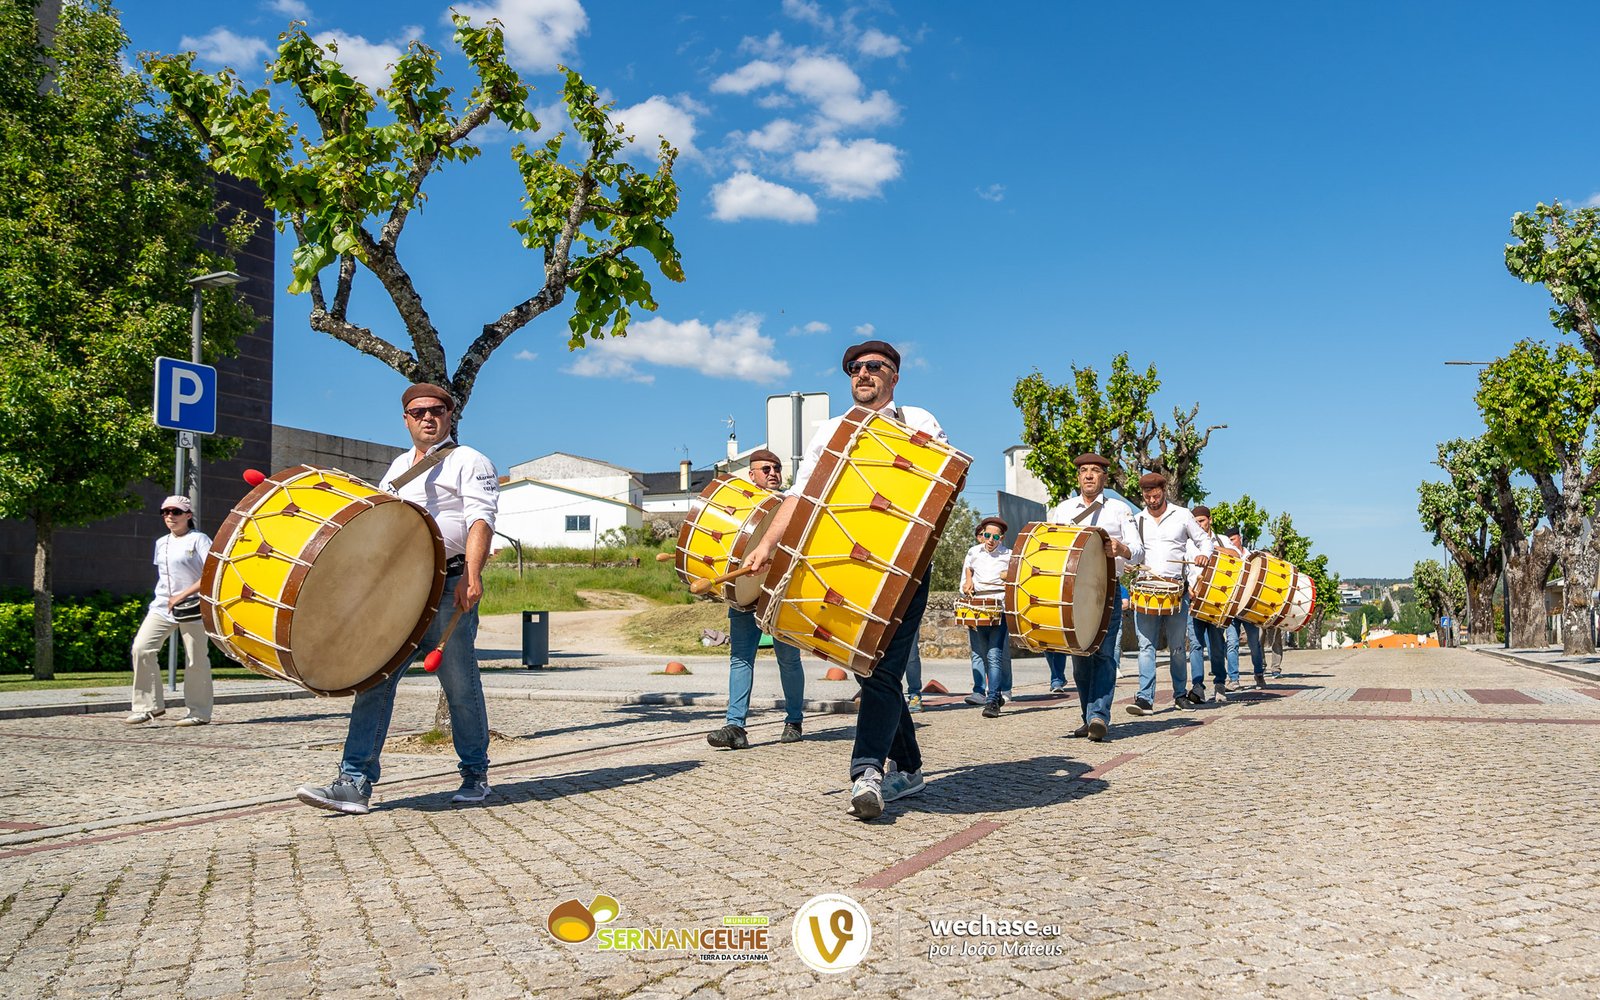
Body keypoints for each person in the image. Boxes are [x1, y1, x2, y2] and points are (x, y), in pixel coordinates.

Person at [744, 339, 940, 821]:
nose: (863, 373)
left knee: (884, 667)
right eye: (855, 368)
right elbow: (800, 495)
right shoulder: (831, 430)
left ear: (894, 375)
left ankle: (867, 771)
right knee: (864, 665)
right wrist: (767, 546)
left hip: (904, 564)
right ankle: (910, 767)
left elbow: (937, 485)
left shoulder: (920, 421)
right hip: (845, 562)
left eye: (874, 367)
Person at [296, 383, 499, 815]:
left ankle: (475, 774)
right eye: (418, 411)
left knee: (459, 684)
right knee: (376, 679)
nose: (428, 417)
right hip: (398, 591)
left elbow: (480, 518)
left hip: (450, 584)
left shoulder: (470, 460)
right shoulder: (397, 468)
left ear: (450, 416)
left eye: (437, 410)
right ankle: (354, 782)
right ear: (406, 420)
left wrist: (473, 576)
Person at [706, 449, 807, 749]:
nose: (773, 472)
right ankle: (735, 726)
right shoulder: (738, 506)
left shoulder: (792, 503)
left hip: (782, 593)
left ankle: (794, 720)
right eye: (766, 469)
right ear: (751, 474)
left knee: (788, 659)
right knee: (740, 659)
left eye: (777, 467)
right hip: (745, 593)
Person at [1045, 453, 1142, 741]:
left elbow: (1138, 551)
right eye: (1084, 471)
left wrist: (1120, 548)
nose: (1089, 475)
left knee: (1103, 651)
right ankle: (1088, 717)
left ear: (1104, 478)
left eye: (1095, 471)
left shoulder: (1119, 510)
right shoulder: (1061, 510)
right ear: (1078, 477)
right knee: (1079, 655)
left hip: (1106, 588)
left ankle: (1099, 715)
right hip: (1070, 591)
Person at [1127, 473, 1213, 716]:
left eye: (1155, 495)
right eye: (1147, 496)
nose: (1152, 500)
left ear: (1164, 490)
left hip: (1176, 590)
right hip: (1146, 588)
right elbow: (1133, 554)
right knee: (1146, 646)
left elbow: (1204, 541)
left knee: (1176, 647)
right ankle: (1145, 698)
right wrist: (1129, 563)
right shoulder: (1138, 520)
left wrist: (1203, 555)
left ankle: (1179, 694)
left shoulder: (1182, 515)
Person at [126, 495, 213, 726]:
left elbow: (212, 574)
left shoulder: (200, 540)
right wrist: (169, 598)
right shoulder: (161, 543)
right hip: (163, 605)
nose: (169, 516)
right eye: (165, 512)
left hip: (193, 606)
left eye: (175, 512)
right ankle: (148, 707)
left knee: (196, 659)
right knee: (142, 648)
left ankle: (199, 712)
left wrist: (182, 596)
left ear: (188, 515)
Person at [961, 516, 1012, 718]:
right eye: (987, 535)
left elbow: (1016, 580)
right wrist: (967, 583)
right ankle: (994, 694)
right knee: (981, 653)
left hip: (999, 608)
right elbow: (968, 572)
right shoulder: (973, 552)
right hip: (978, 608)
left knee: (994, 655)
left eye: (995, 536)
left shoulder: (1009, 555)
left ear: (1002, 537)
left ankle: (992, 702)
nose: (990, 540)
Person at [1187, 506, 1232, 702]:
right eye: (1195, 522)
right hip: (1194, 600)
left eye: (1202, 521)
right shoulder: (1187, 543)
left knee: (1216, 645)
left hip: (1216, 601)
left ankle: (1220, 683)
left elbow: (1237, 556)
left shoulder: (1221, 539)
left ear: (1210, 520)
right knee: (1195, 645)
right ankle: (1198, 686)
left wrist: (1211, 549)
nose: (1199, 525)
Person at [1223, 526, 1267, 689]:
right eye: (1228, 542)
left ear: (1239, 538)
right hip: (1233, 608)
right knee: (1232, 643)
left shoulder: (1252, 557)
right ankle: (1234, 679)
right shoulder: (1226, 558)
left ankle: (1259, 674)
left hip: (1249, 608)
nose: (1231, 544)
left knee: (1254, 643)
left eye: (1233, 540)